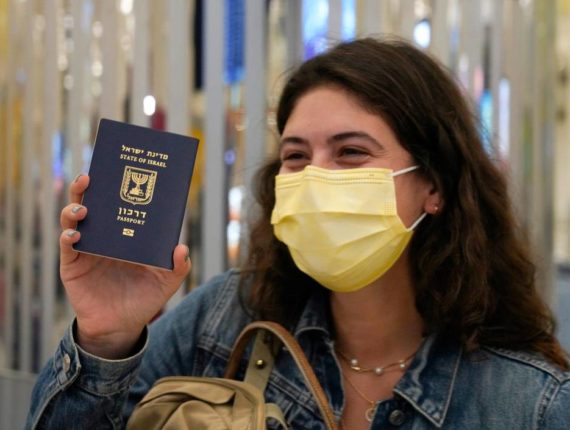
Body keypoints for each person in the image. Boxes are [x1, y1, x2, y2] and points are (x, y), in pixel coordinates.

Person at [27, 37, 570, 430]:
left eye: (351, 152)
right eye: (296, 156)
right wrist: (105, 339)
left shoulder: (528, 403)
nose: (314, 178)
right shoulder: (223, 319)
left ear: (434, 185)